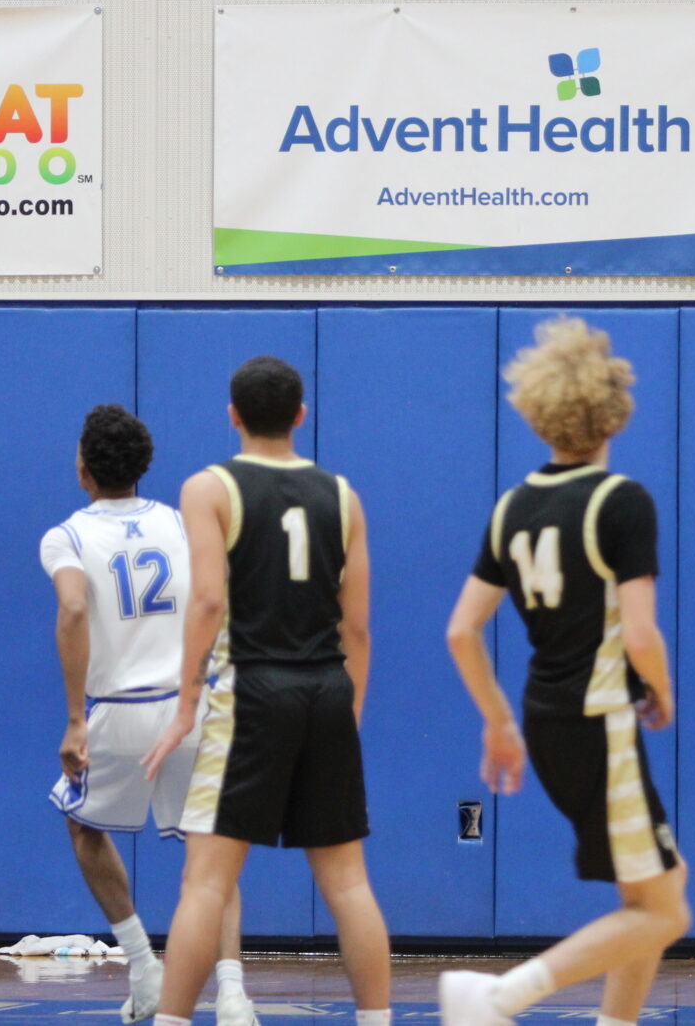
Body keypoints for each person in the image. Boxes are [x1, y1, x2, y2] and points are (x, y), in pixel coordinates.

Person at [440, 317, 688, 1026]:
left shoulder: (511, 507)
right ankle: (497, 996)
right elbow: (640, 631)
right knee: (665, 909)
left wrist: (497, 722)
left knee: (658, 892)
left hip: (546, 717)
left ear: (539, 407)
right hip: (600, 717)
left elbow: (461, 630)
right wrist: (662, 689)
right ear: (614, 407)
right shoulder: (621, 500)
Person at [142, 356, 391, 1026]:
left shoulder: (210, 487)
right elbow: (359, 624)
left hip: (251, 689)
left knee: (206, 879)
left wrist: (186, 704)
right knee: (348, 881)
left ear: (234, 414)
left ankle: (169, 1021)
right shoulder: (343, 495)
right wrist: (351, 709)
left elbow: (208, 600)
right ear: (301, 415)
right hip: (328, 688)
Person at [42, 404, 253, 1026]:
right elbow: (221, 598)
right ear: (144, 465)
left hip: (117, 710)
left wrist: (75, 718)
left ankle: (142, 964)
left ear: (82, 467)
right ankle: (235, 995)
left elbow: (74, 609)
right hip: (192, 704)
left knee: (81, 825)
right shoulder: (184, 523)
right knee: (213, 852)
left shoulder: (68, 535)